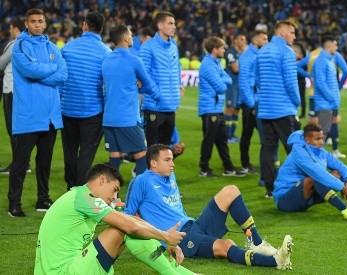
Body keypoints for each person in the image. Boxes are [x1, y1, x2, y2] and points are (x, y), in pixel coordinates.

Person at [124, 144, 293, 270]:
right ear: (153, 163)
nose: (172, 164)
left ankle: (257, 243)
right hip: (180, 238)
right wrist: (158, 239)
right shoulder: (141, 181)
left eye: (172, 159)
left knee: (230, 191)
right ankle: (276, 261)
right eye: (167, 160)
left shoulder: (171, 175)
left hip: (194, 224)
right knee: (226, 245)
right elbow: (128, 216)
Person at [34, 163, 194, 274]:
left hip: (59, 269)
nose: (114, 197)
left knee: (125, 223)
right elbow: (129, 225)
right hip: (65, 271)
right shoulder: (85, 197)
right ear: (102, 180)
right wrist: (165, 237)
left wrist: (164, 236)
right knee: (122, 227)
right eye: (114, 190)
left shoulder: (78, 196)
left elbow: (130, 219)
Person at [8, 9, 68, 217]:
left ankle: (43, 198)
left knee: (44, 163)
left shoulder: (52, 47)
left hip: (50, 116)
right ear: (26, 23)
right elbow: (30, 71)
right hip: (28, 115)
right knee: (20, 163)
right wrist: (50, 69)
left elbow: (63, 74)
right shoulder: (20, 46)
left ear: (45, 24)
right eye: (32, 21)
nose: (36, 24)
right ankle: (13, 203)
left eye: (40, 21)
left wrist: (44, 72)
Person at [101, 25, 164, 176]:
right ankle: (139, 192)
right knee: (142, 156)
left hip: (109, 118)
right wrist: (159, 97)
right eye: (130, 35)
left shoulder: (106, 59)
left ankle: (111, 196)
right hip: (127, 117)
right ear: (124, 38)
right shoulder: (134, 60)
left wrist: (134, 85)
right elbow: (148, 85)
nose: (132, 37)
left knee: (115, 157)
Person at [59, 12, 111, 190]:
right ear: (101, 29)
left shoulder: (67, 47)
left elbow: (59, 77)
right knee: (86, 154)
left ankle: (70, 187)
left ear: (85, 26)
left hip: (67, 108)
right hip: (92, 109)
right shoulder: (105, 52)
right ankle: (78, 190)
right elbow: (108, 84)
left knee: (70, 151)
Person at [256, 20, 301, 197]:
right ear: (282, 32)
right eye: (292, 32)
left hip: (266, 109)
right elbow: (291, 82)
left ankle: (270, 188)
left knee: (268, 148)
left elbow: (258, 80)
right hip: (283, 108)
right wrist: (297, 102)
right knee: (295, 148)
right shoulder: (287, 52)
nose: (294, 36)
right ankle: (295, 184)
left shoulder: (262, 51)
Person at [198, 36, 245, 177]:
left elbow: (228, 79)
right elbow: (220, 86)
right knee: (209, 139)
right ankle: (204, 168)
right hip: (209, 108)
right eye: (222, 48)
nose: (225, 50)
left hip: (217, 108)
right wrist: (222, 81)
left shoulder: (217, 63)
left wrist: (222, 80)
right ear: (214, 50)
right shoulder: (207, 64)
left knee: (222, 139)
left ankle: (228, 168)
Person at [139, 12, 182, 147]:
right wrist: (158, 95)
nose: (174, 26)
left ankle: (163, 169)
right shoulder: (147, 47)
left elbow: (177, 69)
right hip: (154, 106)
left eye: (174, 23)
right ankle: (145, 169)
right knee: (152, 149)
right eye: (170, 23)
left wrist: (178, 89)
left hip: (170, 106)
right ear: (160, 25)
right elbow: (144, 75)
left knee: (164, 149)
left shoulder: (173, 46)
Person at [238, 30, 269, 174]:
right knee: (247, 134)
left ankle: (266, 165)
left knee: (266, 135)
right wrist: (250, 104)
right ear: (256, 40)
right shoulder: (247, 56)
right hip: (250, 102)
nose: (266, 41)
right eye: (264, 39)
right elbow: (243, 82)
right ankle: (245, 164)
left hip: (258, 101)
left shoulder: (257, 55)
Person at [0, 17, 24, 175]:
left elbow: (1, 64)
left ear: (16, 28)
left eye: (10, 28)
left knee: (12, 128)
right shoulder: (26, 43)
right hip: (19, 91)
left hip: (11, 90)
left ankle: (18, 164)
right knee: (18, 128)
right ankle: (24, 163)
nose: (9, 31)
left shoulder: (15, 44)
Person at [311, 34, 340, 151]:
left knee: (324, 133)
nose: (336, 48)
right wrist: (332, 98)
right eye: (335, 45)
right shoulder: (321, 61)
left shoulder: (328, 60)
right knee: (320, 135)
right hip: (325, 104)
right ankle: (312, 160)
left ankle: (316, 160)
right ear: (329, 45)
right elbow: (321, 83)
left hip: (329, 104)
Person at [224, 34, 247, 143]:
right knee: (230, 108)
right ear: (235, 41)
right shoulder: (230, 52)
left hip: (240, 85)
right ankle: (227, 136)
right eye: (241, 39)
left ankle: (232, 135)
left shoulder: (241, 54)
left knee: (237, 110)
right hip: (232, 85)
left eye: (245, 40)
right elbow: (235, 68)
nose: (244, 41)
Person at [291, 43, 306, 118]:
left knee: (302, 97)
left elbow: (304, 71)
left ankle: (303, 113)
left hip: (300, 81)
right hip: (295, 80)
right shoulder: (291, 61)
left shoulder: (302, 61)